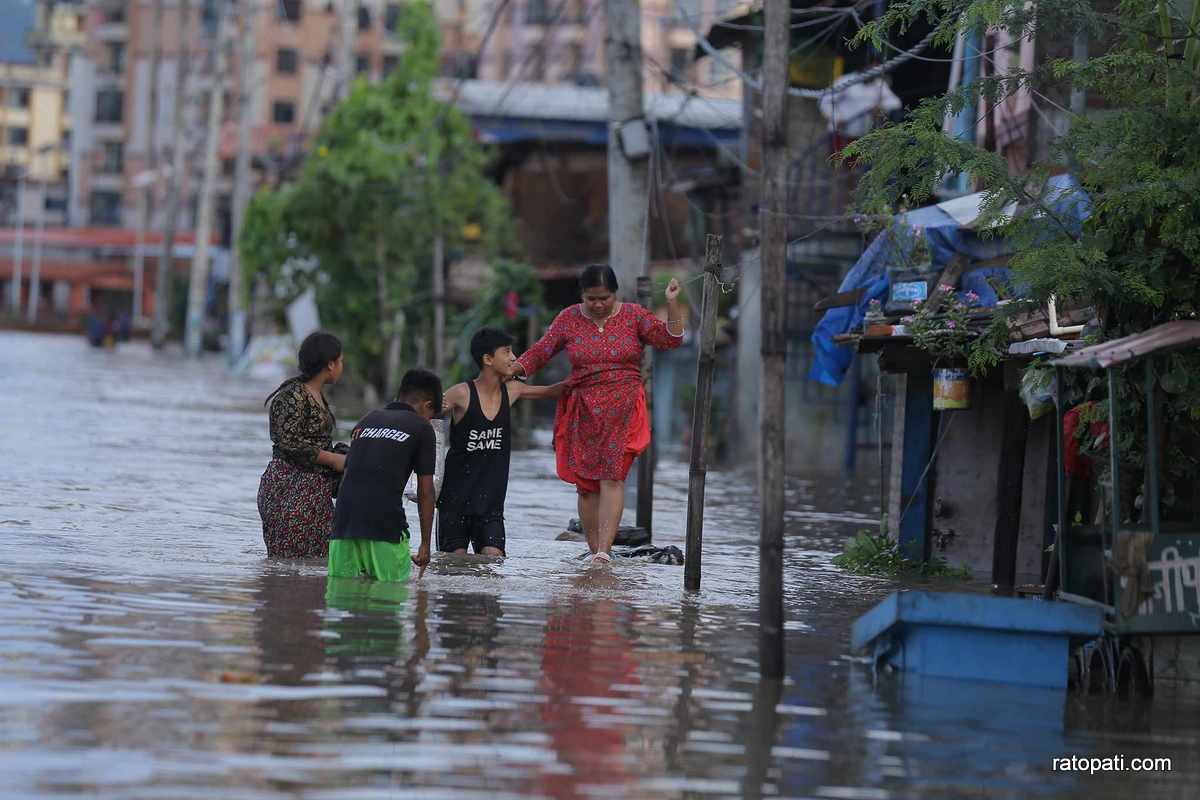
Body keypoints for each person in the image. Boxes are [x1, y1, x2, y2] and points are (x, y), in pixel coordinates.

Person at [514, 265, 684, 566]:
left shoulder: (634, 316)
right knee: (586, 484)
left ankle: (605, 550)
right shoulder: (568, 319)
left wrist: (672, 303)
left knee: (613, 476)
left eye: (604, 298)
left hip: (623, 408)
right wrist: (512, 371)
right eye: (591, 299)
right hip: (583, 408)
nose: (598, 304)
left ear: (615, 293)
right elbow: (541, 351)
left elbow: (669, 339)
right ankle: (595, 551)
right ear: (582, 295)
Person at [438, 328, 564, 557]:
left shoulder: (513, 391)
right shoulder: (460, 394)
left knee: (494, 561)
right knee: (453, 565)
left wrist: (593, 376)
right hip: (454, 502)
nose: (514, 358)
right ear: (487, 359)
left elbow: (552, 391)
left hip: (491, 505)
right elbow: (423, 413)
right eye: (507, 351)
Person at [327, 369, 443, 582]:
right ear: (427, 406)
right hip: (385, 528)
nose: (429, 421)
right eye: (431, 416)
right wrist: (425, 545)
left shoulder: (367, 420)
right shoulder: (422, 428)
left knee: (342, 602)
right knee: (389, 601)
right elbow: (426, 491)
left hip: (343, 526)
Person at [257, 331, 346, 559]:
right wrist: (333, 459)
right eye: (341, 360)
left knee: (315, 568)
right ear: (330, 364)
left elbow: (315, 442)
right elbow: (288, 442)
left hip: (314, 492)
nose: (342, 365)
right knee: (293, 567)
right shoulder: (292, 396)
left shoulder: (317, 395)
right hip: (289, 491)